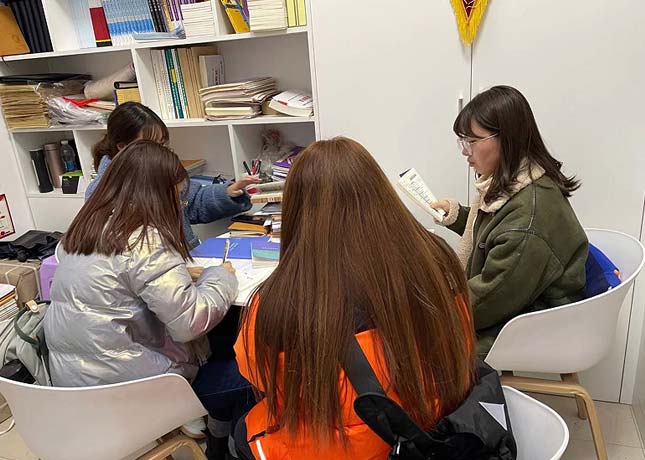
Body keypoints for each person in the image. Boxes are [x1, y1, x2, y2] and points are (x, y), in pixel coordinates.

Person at [233, 137, 476, 459]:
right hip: (434, 424)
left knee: (243, 430)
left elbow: (255, 373)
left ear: (297, 209)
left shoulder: (280, 301)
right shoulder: (436, 259)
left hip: (349, 448)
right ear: (380, 192)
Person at [44, 140, 254, 460]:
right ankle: (223, 448)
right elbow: (190, 323)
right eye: (178, 197)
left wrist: (181, 275)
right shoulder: (144, 238)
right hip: (133, 394)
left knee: (227, 341)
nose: (181, 206)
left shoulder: (85, 229)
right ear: (158, 194)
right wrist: (221, 276)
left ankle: (216, 439)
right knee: (254, 370)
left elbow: (120, 283)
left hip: (76, 388)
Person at [431, 85, 588, 356]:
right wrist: (458, 217)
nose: (465, 152)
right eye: (463, 141)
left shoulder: (526, 221)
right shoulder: (521, 183)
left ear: (507, 139)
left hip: (529, 322)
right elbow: (497, 231)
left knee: (424, 346)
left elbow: (488, 300)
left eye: (472, 141)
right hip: (517, 303)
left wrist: (431, 309)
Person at [86, 101, 259, 249]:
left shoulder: (158, 170)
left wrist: (228, 192)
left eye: (162, 144)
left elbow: (191, 201)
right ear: (123, 147)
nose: (160, 152)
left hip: (183, 262)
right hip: (160, 270)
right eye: (151, 145)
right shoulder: (103, 194)